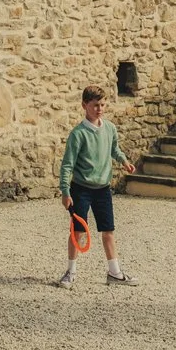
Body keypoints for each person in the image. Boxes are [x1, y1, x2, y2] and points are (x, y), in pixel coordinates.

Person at [56, 85, 138, 288]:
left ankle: (115, 273)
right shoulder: (78, 134)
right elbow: (67, 165)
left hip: (103, 189)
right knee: (78, 232)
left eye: (102, 104)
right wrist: (65, 192)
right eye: (95, 105)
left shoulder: (110, 128)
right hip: (81, 189)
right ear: (85, 105)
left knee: (108, 231)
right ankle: (70, 272)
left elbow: (114, 149)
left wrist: (124, 161)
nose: (99, 109)